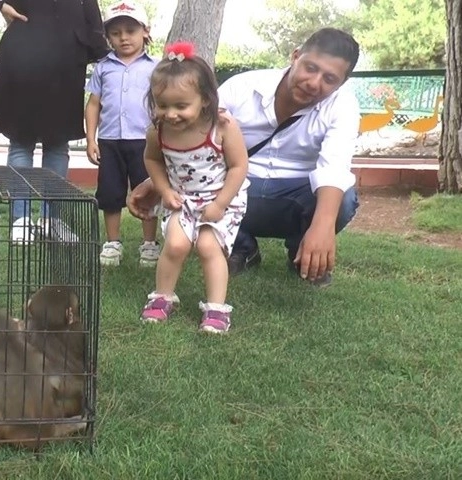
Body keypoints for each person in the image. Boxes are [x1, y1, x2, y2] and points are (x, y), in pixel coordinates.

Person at [128, 28, 361, 287]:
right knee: (216, 182)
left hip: (295, 191)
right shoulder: (243, 87)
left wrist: (323, 227)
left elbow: (334, 168)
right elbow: (192, 132)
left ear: (342, 82)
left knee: (344, 199)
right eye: (310, 67)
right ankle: (242, 248)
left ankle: (302, 253)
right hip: (233, 184)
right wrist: (156, 183)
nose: (314, 82)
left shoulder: (344, 106)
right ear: (295, 56)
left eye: (329, 78)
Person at [0, 0, 109, 244]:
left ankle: (52, 220)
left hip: (65, 69)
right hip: (23, 64)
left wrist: (109, 58)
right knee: (21, 143)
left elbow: (93, 23)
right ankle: (21, 220)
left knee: (58, 145)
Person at [139, 42, 249, 334]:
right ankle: (162, 297)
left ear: (205, 99)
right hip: (183, 199)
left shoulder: (222, 126)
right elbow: (152, 160)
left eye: (181, 106)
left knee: (207, 246)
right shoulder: (157, 131)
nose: (171, 114)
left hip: (222, 197)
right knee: (175, 244)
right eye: (163, 105)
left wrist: (221, 204)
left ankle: (216, 309)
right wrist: (164, 190)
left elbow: (239, 166)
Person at [84, 1, 159, 267]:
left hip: (146, 143)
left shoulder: (156, 67)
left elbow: (163, 102)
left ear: (145, 32)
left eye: (130, 30)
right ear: (108, 37)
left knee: (148, 192)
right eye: (116, 33)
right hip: (110, 141)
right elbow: (94, 103)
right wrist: (91, 139)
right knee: (110, 192)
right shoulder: (103, 67)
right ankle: (112, 243)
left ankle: (149, 244)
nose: (123, 37)